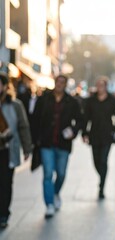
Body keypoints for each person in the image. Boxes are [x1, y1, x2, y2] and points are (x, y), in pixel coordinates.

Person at [37, 74, 83, 218]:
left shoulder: (72, 101)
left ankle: (55, 192)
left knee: (61, 174)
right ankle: (49, 204)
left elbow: (80, 121)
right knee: (48, 174)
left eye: (63, 82)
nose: (59, 84)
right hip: (46, 143)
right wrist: (36, 139)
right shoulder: (44, 99)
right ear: (55, 83)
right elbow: (36, 118)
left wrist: (73, 131)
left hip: (63, 144)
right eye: (58, 81)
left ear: (65, 85)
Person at [0, 72, 32, 229]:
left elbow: (23, 127)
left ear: (6, 86)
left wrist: (27, 148)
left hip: (7, 150)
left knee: (5, 183)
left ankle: (4, 214)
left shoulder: (15, 105)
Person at [82, 76, 115, 199]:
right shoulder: (91, 101)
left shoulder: (112, 100)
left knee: (103, 160)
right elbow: (86, 117)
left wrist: (114, 129)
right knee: (96, 161)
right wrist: (84, 132)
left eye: (102, 85)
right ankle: (102, 176)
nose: (100, 88)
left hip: (107, 135)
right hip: (94, 134)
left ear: (105, 86)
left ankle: (101, 187)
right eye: (98, 85)